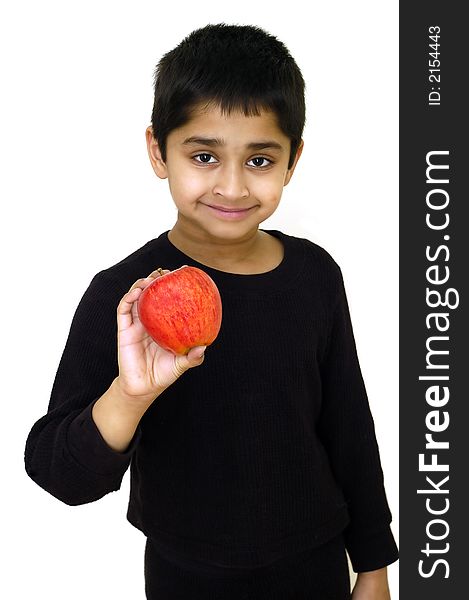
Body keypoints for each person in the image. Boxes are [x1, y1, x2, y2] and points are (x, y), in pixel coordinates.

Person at [25, 23, 398, 599]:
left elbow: (349, 427)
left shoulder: (315, 276)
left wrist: (374, 565)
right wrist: (132, 394)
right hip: (186, 576)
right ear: (158, 151)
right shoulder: (122, 296)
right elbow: (59, 473)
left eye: (259, 160)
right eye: (203, 155)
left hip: (315, 564)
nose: (231, 186)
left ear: (292, 160)